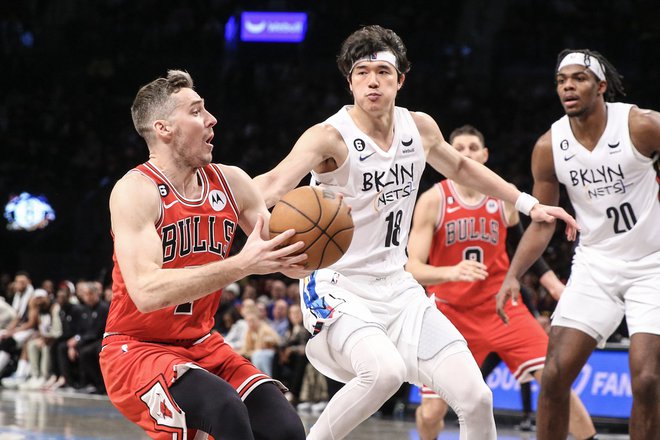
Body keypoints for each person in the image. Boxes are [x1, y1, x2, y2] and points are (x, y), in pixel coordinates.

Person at [254, 25, 578, 440]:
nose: (373, 81)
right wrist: (223, 212)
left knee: (477, 398)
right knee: (384, 373)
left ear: (400, 79)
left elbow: (461, 167)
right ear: (349, 81)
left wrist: (528, 203)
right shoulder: (329, 137)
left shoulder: (418, 128)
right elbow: (273, 185)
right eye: (362, 72)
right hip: (338, 285)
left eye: (383, 72)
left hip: (399, 288)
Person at [100, 70, 307, 440]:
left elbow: (289, 264)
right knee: (224, 409)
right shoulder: (135, 191)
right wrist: (243, 264)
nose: (212, 120)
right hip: (135, 350)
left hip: (201, 344)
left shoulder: (233, 182)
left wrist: (328, 236)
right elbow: (146, 293)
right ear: (164, 129)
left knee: (285, 429)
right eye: (196, 112)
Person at [496, 49, 660, 440]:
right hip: (595, 265)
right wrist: (512, 275)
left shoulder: (642, 126)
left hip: (652, 265)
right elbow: (543, 222)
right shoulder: (549, 146)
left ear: (601, 86)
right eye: (561, 80)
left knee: (648, 379)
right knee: (553, 375)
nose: (568, 86)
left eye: (579, 78)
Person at [406, 125, 596, 440]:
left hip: (502, 308)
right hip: (449, 314)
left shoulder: (502, 195)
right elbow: (412, 267)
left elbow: (522, 247)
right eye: (459, 149)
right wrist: (450, 272)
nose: (465, 154)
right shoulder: (433, 200)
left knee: (555, 380)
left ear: (484, 155)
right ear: (448, 156)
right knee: (432, 412)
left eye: (472, 148)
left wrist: (553, 285)